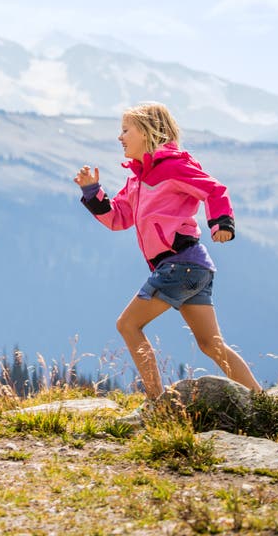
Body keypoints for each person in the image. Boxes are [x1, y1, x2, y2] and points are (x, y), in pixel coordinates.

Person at [73, 102, 260, 397]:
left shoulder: (172, 167)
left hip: (179, 264)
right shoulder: (137, 179)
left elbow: (214, 190)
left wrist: (221, 223)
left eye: (125, 130)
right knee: (211, 344)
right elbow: (118, 218)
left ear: (147, 132)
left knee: (128, 325)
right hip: (193, 267)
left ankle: (157, 402)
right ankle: (261, 401)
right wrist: (92, 192)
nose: (120, 137)